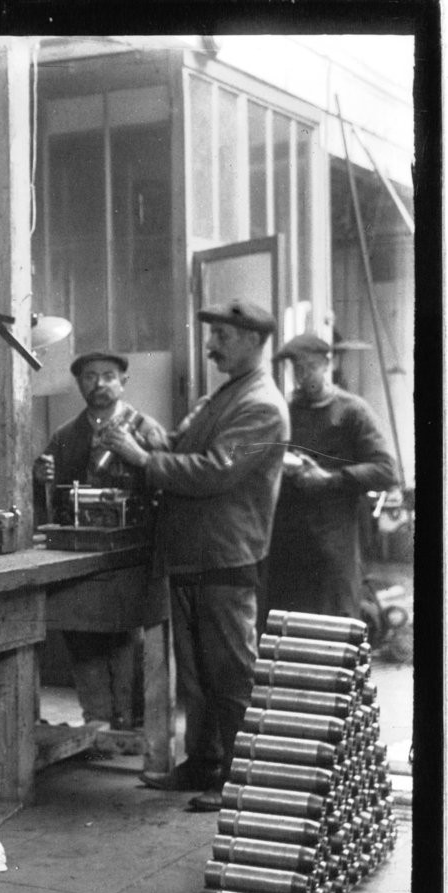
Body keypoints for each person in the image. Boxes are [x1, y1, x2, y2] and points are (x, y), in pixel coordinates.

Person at [101, 299, 289, 812]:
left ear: (254, 340)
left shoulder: (262, 405)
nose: (210, 346)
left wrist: (144, 459)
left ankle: (242, 778)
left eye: (222, 337)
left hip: (225, 557)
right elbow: (186, 449)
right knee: (198, 676)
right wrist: (148, 436)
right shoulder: (223, 396)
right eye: (212, 335)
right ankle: (204, 763)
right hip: (193, 555)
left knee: (231, 676)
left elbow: (215, 470)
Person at [34, 351, 168, 729]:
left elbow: (168, 483)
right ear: (80, 384)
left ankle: (130, 719)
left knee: (127, 637)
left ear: (123, 382)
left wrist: (137, 457)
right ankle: (96, 718)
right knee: (81, 633)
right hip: (81, 555)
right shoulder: (65, 436)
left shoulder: (145, 430)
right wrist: (42, 478)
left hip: (131, 555)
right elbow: (50, 500)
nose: (99, 384)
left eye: (109, 376)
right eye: (90, 376)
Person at [265, 334, 398, 621]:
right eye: (297, 369)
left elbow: (386, 470)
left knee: (333, 626)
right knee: (287, 628)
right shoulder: (286, 412)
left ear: (327, 365)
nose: (303, 376)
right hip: (288, 545)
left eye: (310, 367)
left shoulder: (352, 411)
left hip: (334, 546)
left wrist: (330, 479)